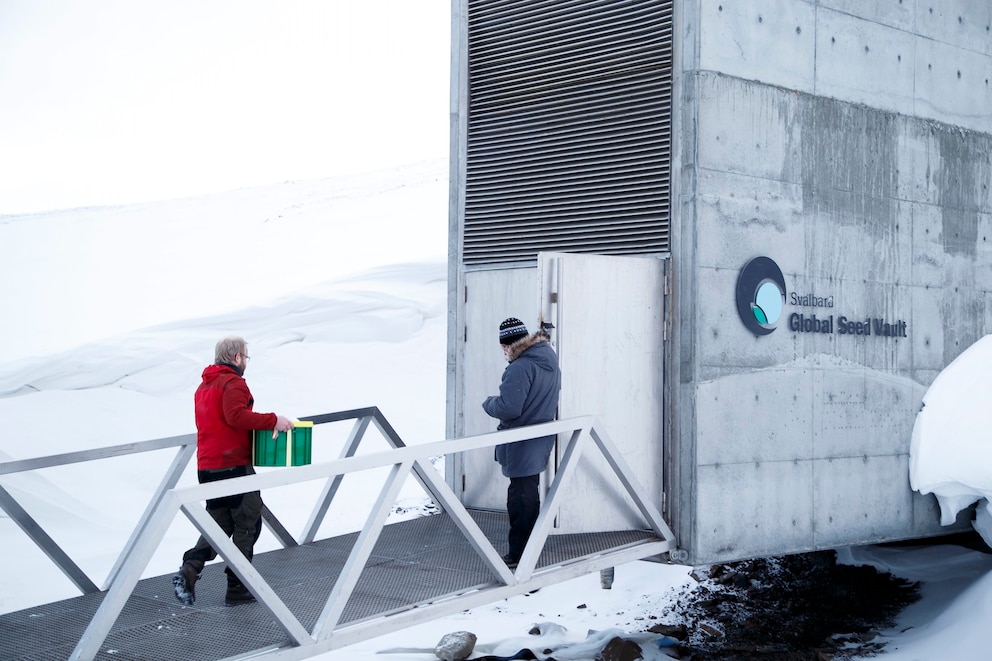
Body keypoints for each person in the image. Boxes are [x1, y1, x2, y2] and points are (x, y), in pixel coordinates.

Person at [172, 336, 294, 606]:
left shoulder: (203, 387)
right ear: (237, 357)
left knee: (219, 524)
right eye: (246, 357)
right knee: (248, 523)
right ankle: (237, 588)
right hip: (233, 465)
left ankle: (190, 569)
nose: (246, 362)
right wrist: (275, 420)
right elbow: (235, 417)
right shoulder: (233, 382)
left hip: (207, 465)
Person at [482, 317, 561, 569]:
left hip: (522, 440)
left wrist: (489, 403)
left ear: (507, 345)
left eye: (503, 346)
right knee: (528, 495)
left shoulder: (521, 367)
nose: (503, 352)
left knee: (520, 500)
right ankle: (529, 550)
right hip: (539, 437)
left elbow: (509, 408)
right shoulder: (547, 361)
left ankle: (520, 556)